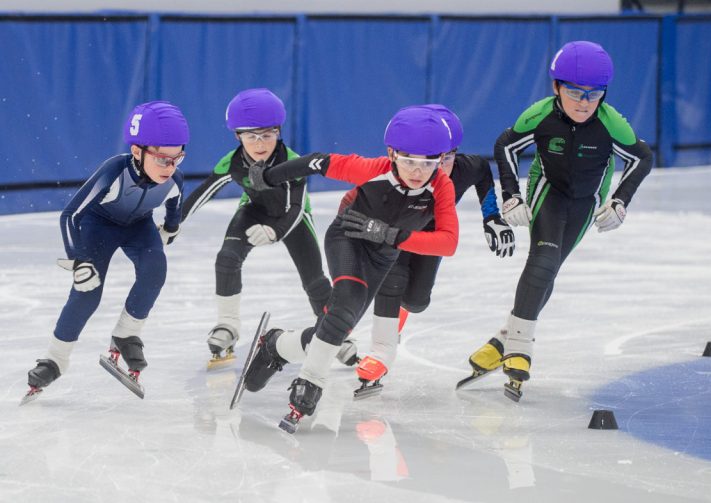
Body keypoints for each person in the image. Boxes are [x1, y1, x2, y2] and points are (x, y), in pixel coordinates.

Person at [241, 105, 459, 433]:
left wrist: (391, 235)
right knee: (344, 307)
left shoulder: (441, 186)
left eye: (428, 163)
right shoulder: (373, 169)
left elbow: (448, 242)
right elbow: (317, 162)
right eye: (408, 161)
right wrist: (268, 177)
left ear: (440, 159)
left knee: (336, 330)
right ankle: (310, 382)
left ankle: (278, 345)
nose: (417, 171)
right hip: (348, 237)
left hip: (384, 253)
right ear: (391, 154)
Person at [463, 41, 653, 401]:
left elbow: (642, 158)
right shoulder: (540, 116)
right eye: (575, 92)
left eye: (594, 94)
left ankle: (503, 340)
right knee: (543, 260)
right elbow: (505, 145)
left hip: (586, 200)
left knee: (548, 271)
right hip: (547, 190)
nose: (584, 102)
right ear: (556, 87)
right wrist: (512, 195)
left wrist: (620, 201)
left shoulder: (611, 123)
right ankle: (520, 349)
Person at [24, 101, 189, 399]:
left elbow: (175, 206)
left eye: (178, 158)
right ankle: (55, 359)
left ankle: (127, 333)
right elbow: (70, 215)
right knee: (88, 292)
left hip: (139, 226)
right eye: (163, 159)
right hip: (98, 226)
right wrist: (78, 260)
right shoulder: (115, 170)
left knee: (155, 270)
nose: (171, 167)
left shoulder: (174, 179)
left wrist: (170, 228)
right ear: (137, 151)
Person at [354, 104, 515, 396]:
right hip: (396, 233)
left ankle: (394, 322)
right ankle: (381, 351)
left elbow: (482, 171)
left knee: (416, 301)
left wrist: (491, 216)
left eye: (446, 158)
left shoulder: (465, 169)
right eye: (426, 159)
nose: (436, 168)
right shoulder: (403, 172)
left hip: (432, 238)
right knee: (393, 279)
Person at [180, 88, 332, 366]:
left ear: (278, 132)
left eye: (267, 134)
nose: (260, 143)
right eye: (251, 136)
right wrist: (172, 223)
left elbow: (296, 208)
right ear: (238, 136)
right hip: (253, 211)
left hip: (292, 219)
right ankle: (227, 324)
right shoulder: (232, 162)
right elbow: (203, 192)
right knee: (227, 258)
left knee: (314, 280)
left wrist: (275, 231)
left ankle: (335, 332)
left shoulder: (292, 161)